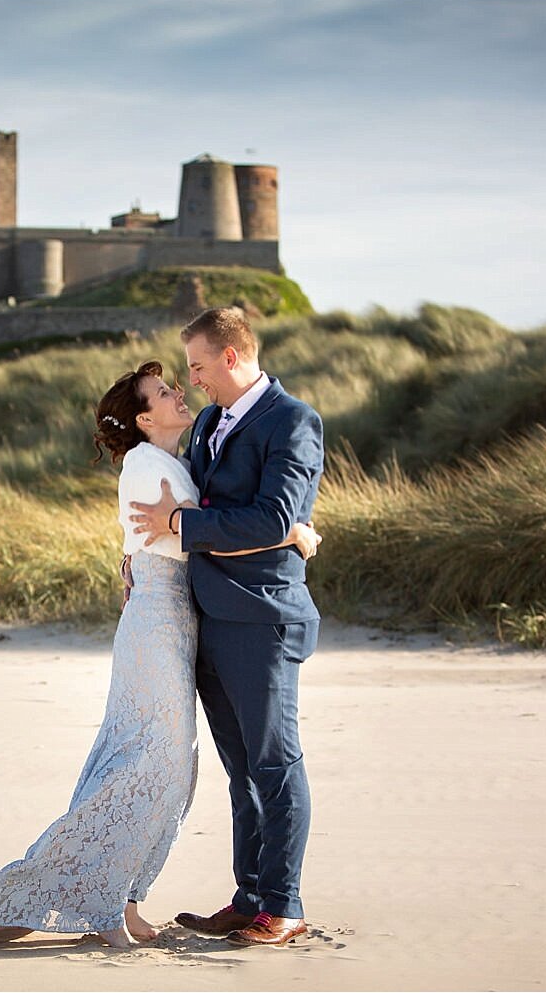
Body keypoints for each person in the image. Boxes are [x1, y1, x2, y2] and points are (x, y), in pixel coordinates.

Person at [0, 360, 318, 949]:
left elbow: (188, 528)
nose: (181, 391)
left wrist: (159, 541)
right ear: (144, 418)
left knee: (161, 768)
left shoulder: (179, 453)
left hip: (179, 622)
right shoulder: (145, 462)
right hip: (157, 627)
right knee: (153, 764)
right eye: (165, 392)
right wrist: (292, 533)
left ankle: (116, 897)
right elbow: (191, 530)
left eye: (180, 383)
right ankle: (58, 894)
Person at [129, 306, 324, 948]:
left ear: (232, 357)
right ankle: (248, 897)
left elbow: (270, 517)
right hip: (208, 618)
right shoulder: (209, 422)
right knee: (239, 771)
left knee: (275, 762)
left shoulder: (292, 422)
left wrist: (181, 527)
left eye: (199, 365)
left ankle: (284, 905)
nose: (194, 381)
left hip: (263, 619)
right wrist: (137, 552)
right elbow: (189, 500)